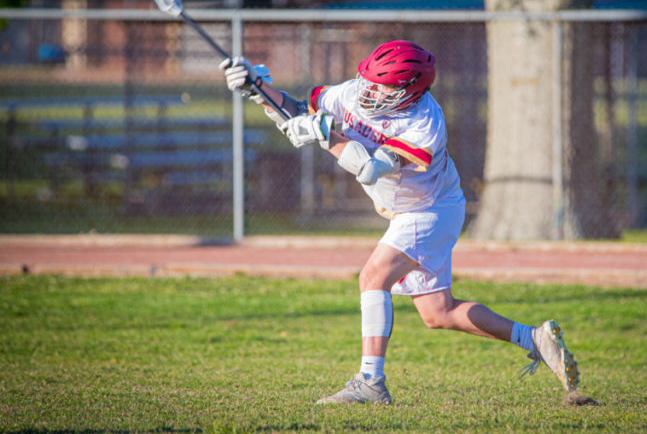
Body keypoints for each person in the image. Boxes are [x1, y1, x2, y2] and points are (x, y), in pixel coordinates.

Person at [220, 41, 580, 404]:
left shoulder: (425, 122)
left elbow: (370, 168)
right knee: (439, 313)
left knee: (372, 277)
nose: (371, 91)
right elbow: (300, 112)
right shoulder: (356, 91)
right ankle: (534, 339)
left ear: (411, 92)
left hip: (431, 210)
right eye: (370, 81)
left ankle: (370, 383)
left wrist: (324, 134)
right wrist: (259, 89)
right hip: (413, 210)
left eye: (384, 87)